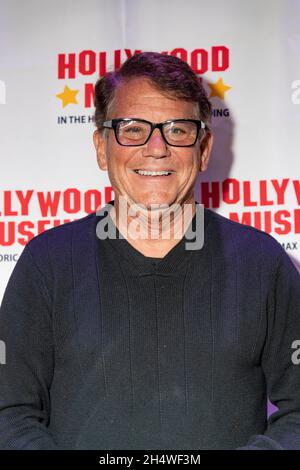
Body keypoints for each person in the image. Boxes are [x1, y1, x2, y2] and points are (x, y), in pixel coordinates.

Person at [0, 52, 299, 450]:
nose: (156, 148)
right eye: (133, 128)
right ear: (102, 147)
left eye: (177, 130)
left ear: (204, 148)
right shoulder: (47, 265)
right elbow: (9, 414)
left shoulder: (262, 263)